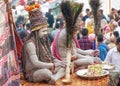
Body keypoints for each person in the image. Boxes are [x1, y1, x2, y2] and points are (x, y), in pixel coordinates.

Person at [21, 2, 67, 85]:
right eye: (43, 31)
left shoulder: (43, 40)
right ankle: (52, 77)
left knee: (66, 66)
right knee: (46, 72)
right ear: (36, 31)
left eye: (46, 30)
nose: (46, 33)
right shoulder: (30, 44)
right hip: (34, 72)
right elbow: (36, 63)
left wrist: (59, 62)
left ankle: (54, 78)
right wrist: (53, 65)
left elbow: (50, 56)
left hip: (47, 67)